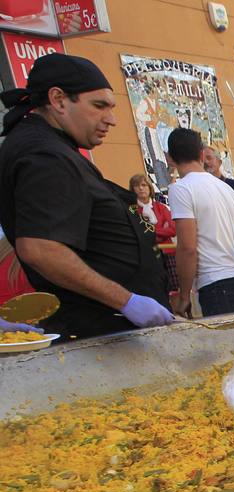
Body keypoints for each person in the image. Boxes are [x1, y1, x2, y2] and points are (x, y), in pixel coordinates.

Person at [0, 53, 174, 338]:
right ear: (58, 100)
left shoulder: (56, 148)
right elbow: (41, 248)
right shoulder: (44, 155)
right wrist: (126, 301)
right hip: (99, 332)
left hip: (115, 330)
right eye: (99, 105)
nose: (112, 119)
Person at [165, 127, 234, 317]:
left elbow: (187, 247)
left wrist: (184, 295)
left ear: (169, 158)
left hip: (214, 284)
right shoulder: (227, 188)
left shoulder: (180, 189)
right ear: (202, 154)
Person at [130, 174, 175, 243]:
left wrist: (149, 232)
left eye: (144, 185)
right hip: (145, 250)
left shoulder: (161, 207)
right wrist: (163, 230)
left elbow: (173, 230)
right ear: (133, 189)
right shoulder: (132, 210)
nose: (141, 188)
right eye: (136, 186)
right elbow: (134, 233)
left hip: (167, 250)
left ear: (150, 187)